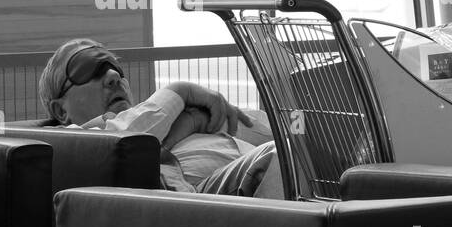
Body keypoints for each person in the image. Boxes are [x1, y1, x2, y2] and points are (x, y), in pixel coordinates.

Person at [37, 37, 284, 197]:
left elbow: (271, 130)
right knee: (281, 159)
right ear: (61, 110)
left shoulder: (167, 115)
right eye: (88, 69)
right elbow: (121, 143)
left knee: (300, 149)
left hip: (253, 183)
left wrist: (194, 120)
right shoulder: (76, 143)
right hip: (202, 205)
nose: (113, 76)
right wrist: (180, 90)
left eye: (115, 68)